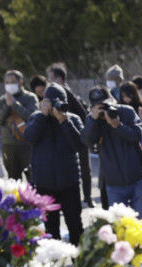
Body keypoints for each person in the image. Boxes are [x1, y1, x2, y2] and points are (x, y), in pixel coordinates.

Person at [83, 86, 142, 267]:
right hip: (114, 182)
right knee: (120, 226)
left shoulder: (125, 112)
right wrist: (94, 119)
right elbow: (86, 141)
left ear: (112, 100)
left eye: (105, 105)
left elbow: (137, 136)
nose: (103, 110)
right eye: (98, 107)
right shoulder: (92, 119)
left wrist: (117, 125)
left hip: (138, 177)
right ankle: (126, 262)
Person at [24, 83, 84, 244]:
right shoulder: (37, 117)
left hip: (69, 183)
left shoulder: (73, 119)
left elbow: (78, 145)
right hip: (44, 185)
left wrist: (64, 121)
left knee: (75, 226)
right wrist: (43, 116)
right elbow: (29, 137)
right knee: (51, 229)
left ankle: (78, 264)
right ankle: (55, 265)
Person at [47, 63, 94, 208]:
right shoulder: (52, 94)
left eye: (51, 78)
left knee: (84, 167)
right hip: (62, 136)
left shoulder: (68, 94)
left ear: (59, 79)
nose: (49, 82)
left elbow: (83, 114)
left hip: (74, 131)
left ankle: (87, 196)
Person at [0, 70, 39, 181]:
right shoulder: (1, 100)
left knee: (32, 178)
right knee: (13, 180)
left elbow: (33, 117)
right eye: (7, 82)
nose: (10, 85)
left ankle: (33, 199)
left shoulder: (30, 98)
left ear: (21, 83)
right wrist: (8, 106)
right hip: (9, 145)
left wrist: (15, 104)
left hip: (27, 145)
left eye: (13, 81)